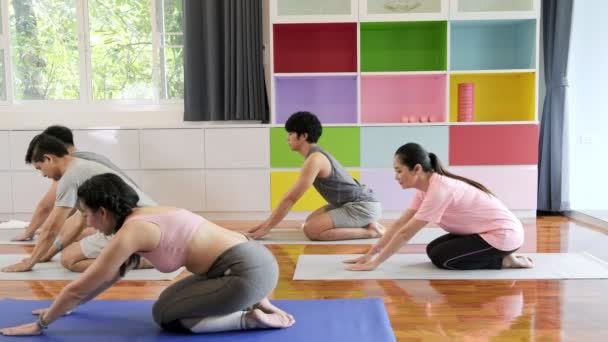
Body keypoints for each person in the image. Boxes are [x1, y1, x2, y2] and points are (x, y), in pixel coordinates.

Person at [0, 173, 295, 336]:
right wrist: (62, 308)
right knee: (168, 302)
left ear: (102, 212)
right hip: (252, 265)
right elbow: (104, 279)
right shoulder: (146, 215)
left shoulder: (132, 231)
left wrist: (43, 324)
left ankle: (249, 319)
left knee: (166, 316)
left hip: (245, 273)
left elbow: (80, 285)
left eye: (87, 215)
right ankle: (256, 304)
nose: (87, 223)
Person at [345, 142, 533, 271]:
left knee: (445, 260)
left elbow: (405, 234)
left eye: (399, 171)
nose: (396, 177)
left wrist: (376, 263)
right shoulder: (425, 187)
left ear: (417, 169)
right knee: (433, 250)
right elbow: (400, 224)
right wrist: (371, 253)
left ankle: (504, 261)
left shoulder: (439, 190)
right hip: (487, 232)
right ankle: (499, 256)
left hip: (503, 236)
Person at [1, 134, 156, 273]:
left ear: (48, 158)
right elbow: (79, 222)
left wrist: (30, 262)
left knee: (69, 259)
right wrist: (47, 254)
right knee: (72, 243)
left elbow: (51, 228)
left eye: (40, 168)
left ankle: (141, 260)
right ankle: (138, 251)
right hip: (148, 221)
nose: (42, 174)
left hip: (136, 225)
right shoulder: (80, 166)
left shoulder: (70, 177)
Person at [248, 111, 384, 241]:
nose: (287, 138)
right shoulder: (314, 156)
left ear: (303, 136)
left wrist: (267, 228)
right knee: (310, 221)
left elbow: (290, 199)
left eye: (290, 133)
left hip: (362, 206)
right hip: (346, 204)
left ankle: (370, 232)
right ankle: (366, 223)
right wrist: (264, 225)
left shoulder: (315, 159)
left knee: (311, 230)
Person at [11, 125, 137, 242]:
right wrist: (46, 228)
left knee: (65, 234)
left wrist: (29, 232)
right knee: (65, 228)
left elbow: (46, 206)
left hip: (125, 215)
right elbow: (68, 206)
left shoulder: (71, 167)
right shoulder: (90, 157)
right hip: (125, 208)